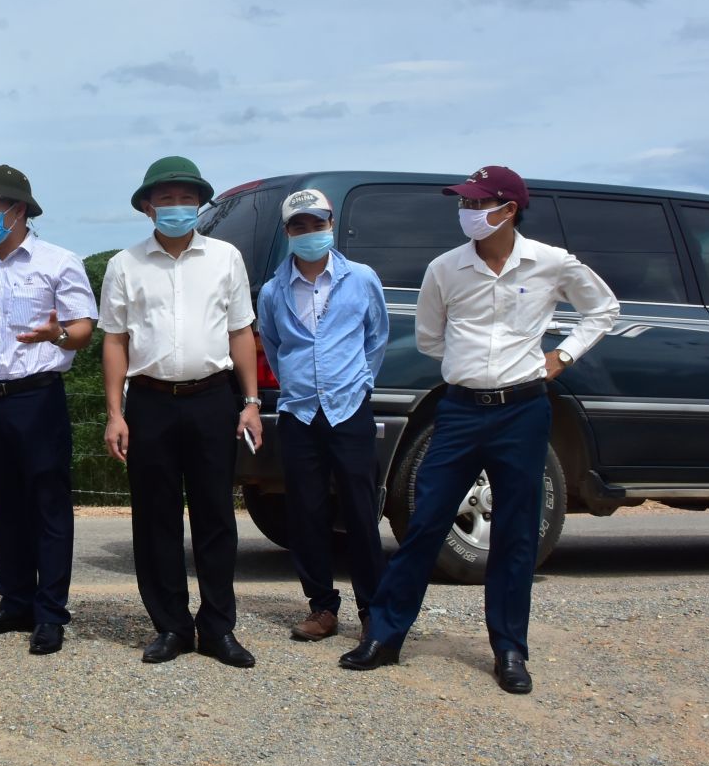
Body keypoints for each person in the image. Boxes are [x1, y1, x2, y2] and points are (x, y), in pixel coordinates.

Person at [340, 166, 619, 694]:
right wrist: (472, 367)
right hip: (460, 412)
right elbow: (430, 338)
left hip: (523, 410)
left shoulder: (550, 263)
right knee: (425, 522)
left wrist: (562, 356)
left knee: (516, 531)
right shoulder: (445, 268)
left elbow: (603, 309)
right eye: (464, 203)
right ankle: (385, 635)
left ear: (508, 210)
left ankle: (509, 649)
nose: (466, 212)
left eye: (477, 203)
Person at [100, 156, 264, 668]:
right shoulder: (125, 265)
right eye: (166, 199)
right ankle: (170, 625)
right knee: (155, 518)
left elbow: (241, 331)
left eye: (186, 198)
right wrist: (115, 413)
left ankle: (218, 627)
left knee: (216, 514)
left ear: (199, 204)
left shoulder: (225, 258)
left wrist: (251, 402)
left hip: (213, 398)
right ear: (147, 207)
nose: (176, 207)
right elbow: (115, 341)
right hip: (149, 401)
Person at [0, 165, 97, 656]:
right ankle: (15, 602)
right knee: (3, 504)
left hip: (38, 396)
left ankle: (50, 612)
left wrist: (57, 333)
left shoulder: (58, 262)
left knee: (47, 505)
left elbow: (83, 329)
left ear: (18, 210)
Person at [257, 188, 390, 642]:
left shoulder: (361, 278)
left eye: (317, 224)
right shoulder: (273, 291)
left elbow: (376, 337)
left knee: (360, 510)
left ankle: (374, 608)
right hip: (299, 413)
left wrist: (359, 382)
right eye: (300, 225)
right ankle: (321, 607)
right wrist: (298, 384)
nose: (310, 232)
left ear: (331, 225)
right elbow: (274, 346)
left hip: (349, 408)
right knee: (305, 513)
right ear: (287, 232)